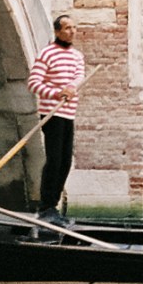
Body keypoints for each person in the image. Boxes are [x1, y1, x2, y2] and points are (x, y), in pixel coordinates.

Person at [26, 15, 85, 227]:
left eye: (74, 27)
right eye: (68, 28)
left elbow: (79, 77)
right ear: (58, 31)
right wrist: (57, 93)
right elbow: (33, 83)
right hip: (52, 113)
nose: (72, 31)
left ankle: (53, 206)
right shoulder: (47, 54)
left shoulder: (77, 56)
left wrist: (71, 87)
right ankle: (46, 207)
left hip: (69, 113)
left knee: (66, 162)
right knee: (54, 160)